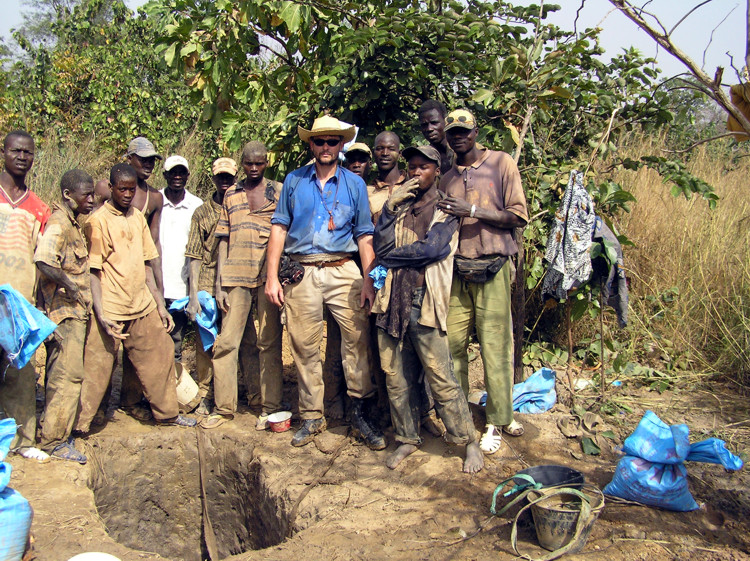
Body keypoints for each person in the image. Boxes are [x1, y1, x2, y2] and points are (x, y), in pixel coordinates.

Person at [265, 115, 383, 449]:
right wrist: (272, 277)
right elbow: (279, 228)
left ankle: (360, 414)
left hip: (344, 268)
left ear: (341, 144)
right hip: (302, 271)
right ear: (311, 144)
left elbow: (364, 236)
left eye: (333, 141)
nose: (326, 147)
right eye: (320, 141)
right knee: (303, 345)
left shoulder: (353, 184)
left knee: (357, 341)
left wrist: (369, 281)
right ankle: (312, 416)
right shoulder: (294, 181)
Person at [373, 145, 483, 473]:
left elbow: (433, 249)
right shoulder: (401, 206)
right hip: (392, 299)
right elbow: (381, 246)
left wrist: (391, 256)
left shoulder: (445, 206)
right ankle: (407, 438)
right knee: (396, 375)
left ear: (437, 171)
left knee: (440, 374)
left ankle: (468, 440)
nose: (416, 172)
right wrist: (389, 211)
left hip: (424, 301)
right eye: (413, 166)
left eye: (424, 167)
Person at [75, 163, 196, 433]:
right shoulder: (98, 221)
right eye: (122, 189)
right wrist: (101, 314)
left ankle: (167, 414)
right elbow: (93, 273)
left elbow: (145, 266)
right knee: (97, 368)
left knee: (160, 353)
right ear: (111, 188)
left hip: (140, 303)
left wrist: (159, 304)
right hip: (111, 307)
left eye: (131, 189)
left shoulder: (137, 218)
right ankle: (81, 425)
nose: (128, 194)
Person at [437, 109, 528, 455]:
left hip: (493, 266)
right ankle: (459, 417)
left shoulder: (501, 164)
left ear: (475, 133)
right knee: (453, 345)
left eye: (464, 131)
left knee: (495, 346)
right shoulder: (446, 177)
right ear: (448, 138)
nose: (459, 136)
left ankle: (497, 420)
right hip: (458, 271)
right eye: (453, 132)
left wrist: (472, 211)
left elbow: (518, 216)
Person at [201, 150, 283, 430]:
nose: (254, 168)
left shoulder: (279, 192)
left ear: (266, 163)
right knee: (227, 343)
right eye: (248, 163)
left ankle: (269, 408)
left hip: (267, 277)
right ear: (243, 164)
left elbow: (285, 233)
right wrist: (219, 284)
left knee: (268, 343)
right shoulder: (231, 194)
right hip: (235, 276)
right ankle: (224, 409)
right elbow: (223, 239)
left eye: (259, 163)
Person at [34, 169, 95, 463]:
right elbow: (44, 259)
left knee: (64, 375)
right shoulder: (59, 224)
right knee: (66, 376)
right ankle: (54, 441)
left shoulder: (73, 224)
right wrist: (70, 286)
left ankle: (57, 432)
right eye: (87, 194)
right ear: (68, 195)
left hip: (73, 312)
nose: (92, 199)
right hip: (65, 313)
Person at [0, 130, 51, 462]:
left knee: (20, 371)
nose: (22, 157)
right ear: (4, 152)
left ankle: (22, 440)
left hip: (20, 304)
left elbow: (42, 259)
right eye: (16, 151)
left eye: (28, 152)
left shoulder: (39, 208)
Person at [184, 158, 234, 415]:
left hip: (234, 282)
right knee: (205, 343)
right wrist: (193, 296)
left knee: (232, 339)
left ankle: (232, 391)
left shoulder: (241, 208)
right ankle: (205, 392)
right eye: (221, 177)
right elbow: (193, 255)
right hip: (206, 282)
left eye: (229, 177)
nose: (225, 182)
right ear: (214, 178)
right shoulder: (202, 213)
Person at [159, 155, 203, 369]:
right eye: (172, 172)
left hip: (181, 287)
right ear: (164, 175)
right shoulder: (155, 201)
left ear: (187, 175)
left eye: (181, 172)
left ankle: (174, 393)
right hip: (156, 286)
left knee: (176, 342)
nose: (177, 176)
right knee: (153, 342)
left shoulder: (196, 206)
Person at [367, 131, 406, 224]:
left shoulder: (412, 185)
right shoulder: (367, 192)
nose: (385, 153)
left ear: (400, 154)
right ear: (373, 153)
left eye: (391, 149)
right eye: (380, 148)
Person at [418, 99, 454, 174]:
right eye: (424, 125)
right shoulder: (422, 158)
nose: (429, 129)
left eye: (434, 123)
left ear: (445, 122)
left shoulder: (461, 151)